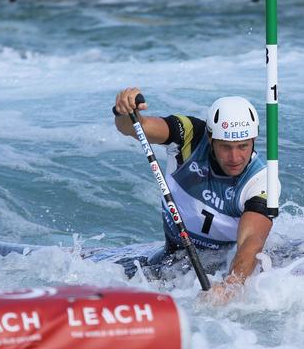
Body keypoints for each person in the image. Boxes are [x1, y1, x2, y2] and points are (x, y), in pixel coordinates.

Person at [113, 87, 277, 303]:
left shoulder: (261, 180)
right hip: (171, 259)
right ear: (210, 138)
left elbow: (251, 241)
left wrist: (230, 287)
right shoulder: (190, 136)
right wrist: (124, 111)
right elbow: (135, 128)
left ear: (253, 139)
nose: (235, 157)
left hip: (221, 267)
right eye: (225, 147)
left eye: (243, 146)